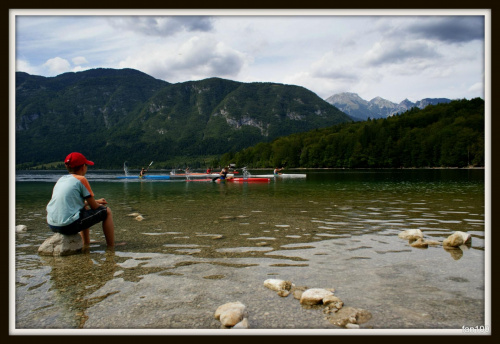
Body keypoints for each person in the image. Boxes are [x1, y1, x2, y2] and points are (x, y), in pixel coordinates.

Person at [46, 152, 115, 247]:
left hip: (52, 224)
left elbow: (75, 204)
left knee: (83, 210)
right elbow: (94, 207)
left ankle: (86, 242)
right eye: (86, 165)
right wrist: (98, 204)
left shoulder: (61, 179)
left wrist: (97, 201)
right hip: (67, 226)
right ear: (83, 167)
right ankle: (111, 246)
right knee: (106, 211)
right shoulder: (81, 179)